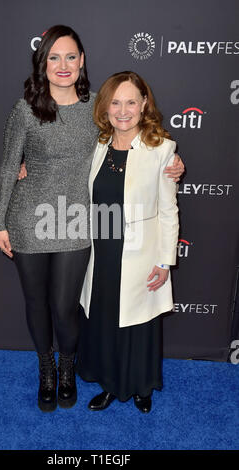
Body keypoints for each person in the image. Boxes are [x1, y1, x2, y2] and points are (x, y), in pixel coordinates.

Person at [0, 25, 184, 413]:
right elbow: (7, 167)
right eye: (54, 57)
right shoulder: (24, 109)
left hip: (78, 221)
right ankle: (46, 370)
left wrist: (174, 163)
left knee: (66, 307)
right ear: (42, 62)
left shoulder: (100, 105)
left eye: (71, 57)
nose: (63, 65)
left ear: (82, 62)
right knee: (36, 304)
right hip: (30, 219)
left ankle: (68, 369)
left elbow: (138, 137)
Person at [75, 71, 179, 413]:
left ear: (144, 103)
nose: (123, 110)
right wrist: (28, 166)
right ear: (105, 107)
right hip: (102, 251)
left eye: (131, 101)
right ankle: (108, 384)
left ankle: (140, 387)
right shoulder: (98, 144)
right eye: (115, 102)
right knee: (104, 320)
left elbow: (168, 210)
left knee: (139, 324)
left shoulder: (162, 149)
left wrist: (165, 261)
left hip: (141, 254)